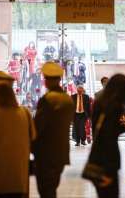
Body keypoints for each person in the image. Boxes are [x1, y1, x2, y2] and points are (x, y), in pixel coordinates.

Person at [86, 74, 125, 198]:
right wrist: (107, 171)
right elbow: (108, 136)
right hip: (107, 164)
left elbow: (103, 130)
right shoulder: (113, 105)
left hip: (98, 159)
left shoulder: (100, 101)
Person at [32, 62, 75, 198]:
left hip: (45, 154)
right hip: (61, 152)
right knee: (51, 188)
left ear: (47, 81)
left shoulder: (47, 100)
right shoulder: (68, 99)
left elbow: (37, 128)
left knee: (45, 190)